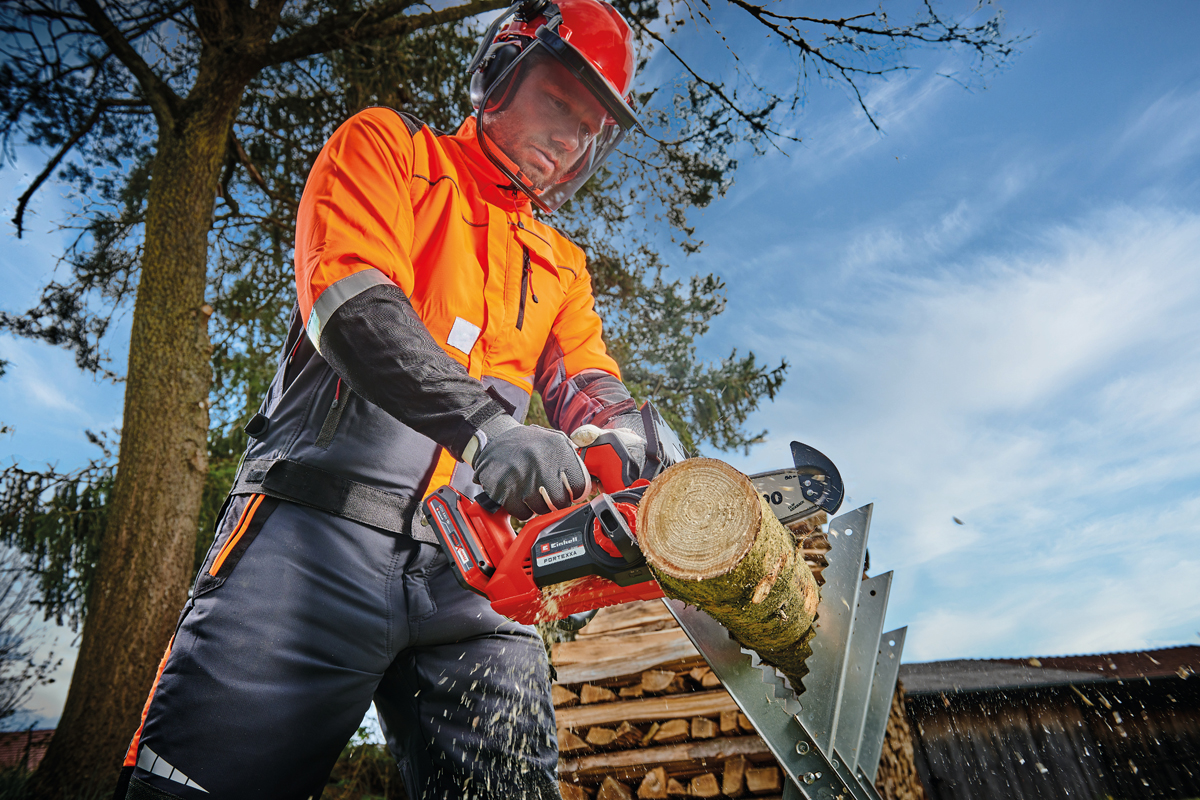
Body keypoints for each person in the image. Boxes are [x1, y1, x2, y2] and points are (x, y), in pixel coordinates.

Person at [115, 0, 652, 798]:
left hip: (476, 572)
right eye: (557, 104)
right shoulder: (392, 151)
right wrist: (487, 428)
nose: (568, 138)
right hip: (316, 535)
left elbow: (582, 377)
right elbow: (351, 304)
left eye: (587, 127)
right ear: (500, 74)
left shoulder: (560, 261)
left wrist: (630, 439)